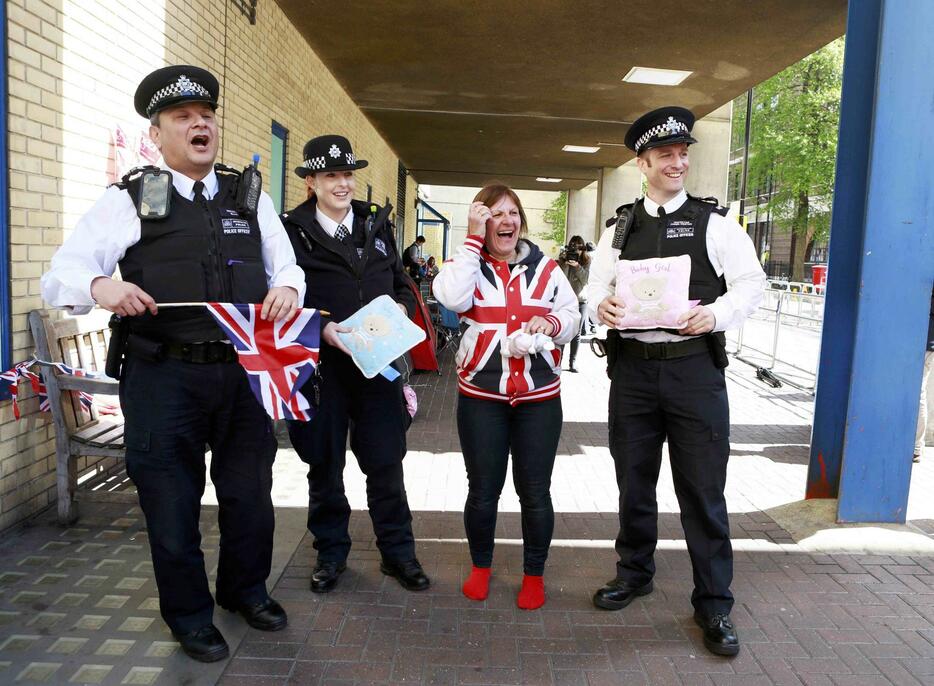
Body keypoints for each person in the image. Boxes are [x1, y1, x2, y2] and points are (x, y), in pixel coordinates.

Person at [40, 65, 304, 662]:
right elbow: (59, 276)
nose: (199, 124)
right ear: (157, 136)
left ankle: (245, 591)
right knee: (172, 500)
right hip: (163, 375)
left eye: (206, 115)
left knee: (248, 493)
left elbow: (286, 266)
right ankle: (189, 614)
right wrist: (101, 285)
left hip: (241, 372)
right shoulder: (128, 200)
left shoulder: (250, 197)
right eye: (183, 118)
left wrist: (288, 287)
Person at [587, 106, 765, 657]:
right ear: (642, 162)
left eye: (683, 152)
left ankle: (714, 602)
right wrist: (604, 307)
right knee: (633, 483)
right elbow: (593, 290)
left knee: (703, 491)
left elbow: (751, 285)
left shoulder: (717, 225)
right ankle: (634, 572)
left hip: (694, 371)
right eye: (665, 154)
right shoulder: (619, 227)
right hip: (634, 372)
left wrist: (716, 315)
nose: (678, 161)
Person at [279, 134, 430, 596]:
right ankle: (330, 553)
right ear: (311, 181)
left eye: (347, 174)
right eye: (331, 176)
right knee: (324, 464)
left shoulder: (375, 225)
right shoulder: (290, 232)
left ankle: (398, 553)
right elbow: (283, 298)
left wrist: (403, 306)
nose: (342, 184)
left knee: (386, 462)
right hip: (321, 369)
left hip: (376, 366)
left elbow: (401, 283)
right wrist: (321, 328)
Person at [432, 184, 580, 610]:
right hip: (482, 397)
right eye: (495, 214)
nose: (507, 221)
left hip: (538, 399)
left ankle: (534, 575)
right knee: (482, 490)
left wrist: (551, 324)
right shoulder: (469, 264)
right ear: (482, 221)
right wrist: (471, 240)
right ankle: (481, 567)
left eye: (513, 213)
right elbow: (450, 298)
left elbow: (572, 316)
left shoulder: (547, 269)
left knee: (535, 491)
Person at [558, 234, 591, 372]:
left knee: (576, 333)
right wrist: (565, 263)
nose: (576, 251)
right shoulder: (563, 259)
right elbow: (560, 280)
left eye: (578, 248)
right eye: (573, 248)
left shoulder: (587, 261)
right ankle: (558, 362)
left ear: (583, 249)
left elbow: (585, 280)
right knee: (563, 330)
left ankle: (573, 363)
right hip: (565, 300)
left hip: (580, 301)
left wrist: (577, 266)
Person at [914, 286, 934, 463]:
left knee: (917, 391)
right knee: (919, 391)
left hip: (926, 340)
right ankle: (916, 446)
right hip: (928, 341)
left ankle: (915, 446)